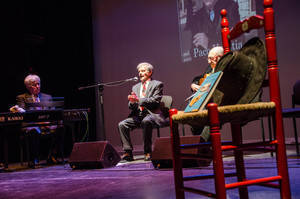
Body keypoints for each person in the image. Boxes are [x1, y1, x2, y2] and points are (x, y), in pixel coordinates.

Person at [10, 74, 63, 167]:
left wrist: (49, 122)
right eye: (34, 85)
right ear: (28, 86)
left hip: (47, 124)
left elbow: (53, 113)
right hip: (32, 124)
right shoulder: (22, 98)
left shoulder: (47, 97)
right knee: (33, 129)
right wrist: (40, 122)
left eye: (38, 84)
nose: (37, 86)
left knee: (60, 127)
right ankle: (34, 160)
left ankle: (52, 156)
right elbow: (24, 114)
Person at [118, 62, 165, 162]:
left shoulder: (157, 84)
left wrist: (138, 100)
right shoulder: (135, 87)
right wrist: (132, 101)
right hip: (138, 115)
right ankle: (128, 153)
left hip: (151, 114)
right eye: (139, 71)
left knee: (146, 121)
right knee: (122, 124)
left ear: (150, 72)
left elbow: (155, 101)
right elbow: (131, 106)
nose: (140, 73)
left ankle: (147, 152)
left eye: (143, 71)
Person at [190, 46, 224, 140]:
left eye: (211, 58)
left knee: (211, 117)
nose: (209, 62)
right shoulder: (210, 68)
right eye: (208, 58)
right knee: (193, 116)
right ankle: (201, 145)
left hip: (220, 102)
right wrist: (193, 85)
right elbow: (199, 78)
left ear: (220, 57)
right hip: (206, 101)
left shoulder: (225, 68)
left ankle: (203, 144)